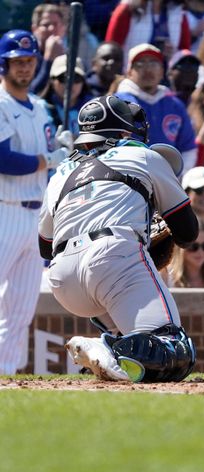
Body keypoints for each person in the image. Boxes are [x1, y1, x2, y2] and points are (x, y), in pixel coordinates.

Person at [39, 94, 199, 383]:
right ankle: (107, 346)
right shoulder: (144, 155)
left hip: (63, 279)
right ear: (126, 133)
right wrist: (147, 233)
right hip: (113, 257)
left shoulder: (60, 172)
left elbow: (44, 245)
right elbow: (188, 233)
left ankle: (116, 343)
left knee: (137, 352)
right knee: (174, 350)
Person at [0, 29, 70, 375]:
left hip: (35, 217)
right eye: (18, 62)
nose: (24, 68)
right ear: (4, 64)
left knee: (22, 308)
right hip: (5, 210)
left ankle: (6, 372)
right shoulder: (0, 104)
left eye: (29, 61)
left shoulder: (41, 107)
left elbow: (50, 152)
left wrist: (63, 146)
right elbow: (4, 160)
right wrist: (49, 157)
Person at [115, 44, 197, 173]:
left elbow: (188, 148)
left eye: (154, 63)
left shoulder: (175, 105)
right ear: (129, 71)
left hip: (168, 180)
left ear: (162, 71)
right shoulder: (116, 103)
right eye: (140, 63)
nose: (148, 69)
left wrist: (177, 179)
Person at [105, 0, 190, 66]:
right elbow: (111, 50)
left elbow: (184, 51)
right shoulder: (126, 9)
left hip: (167, 81)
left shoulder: (179, 12)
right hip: (130, 78)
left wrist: (174, 55)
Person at [39, 55, 94, 136]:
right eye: (63, 78)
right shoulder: (41, 108)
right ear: (52, 80)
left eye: (76, 78)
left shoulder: (95, 109)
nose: (70, 84)